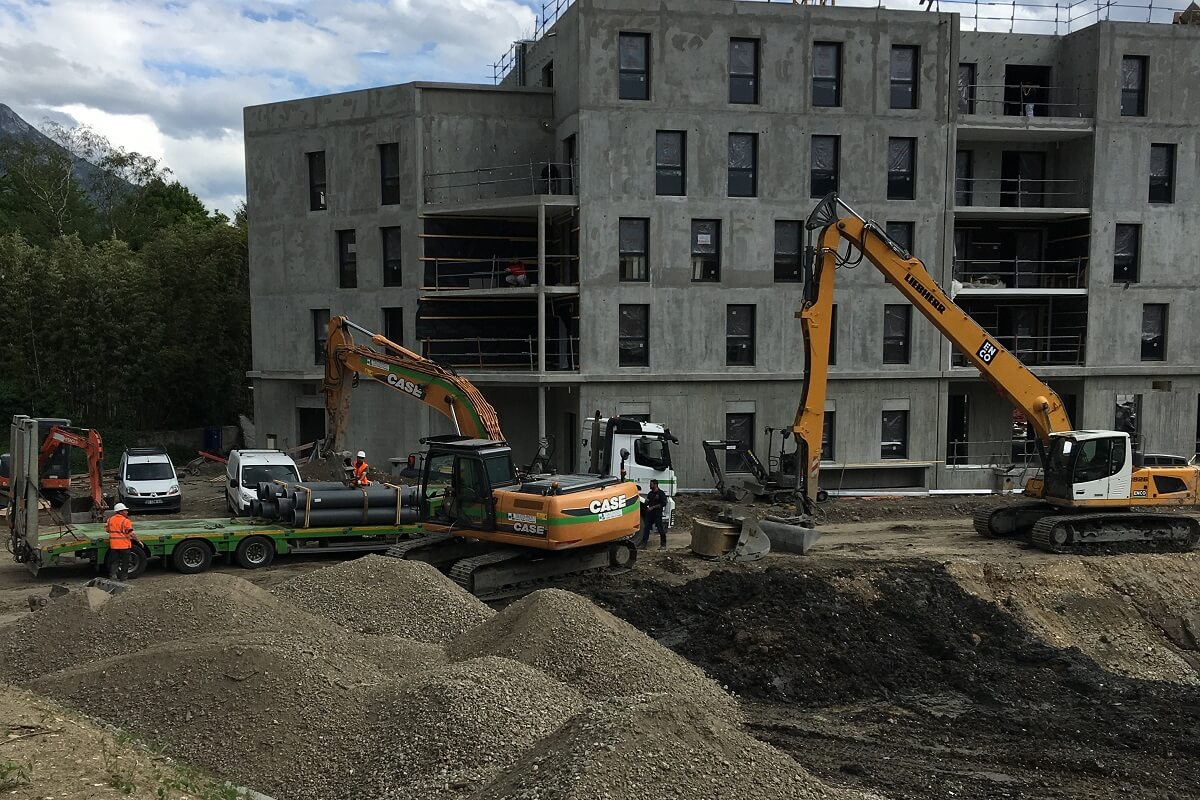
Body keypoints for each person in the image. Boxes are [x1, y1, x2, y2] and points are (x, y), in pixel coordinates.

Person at [105, 503, 139, 580]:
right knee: (125, 562)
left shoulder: (110, 520)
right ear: (120, 511)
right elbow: (131, 534)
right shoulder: (126, 521)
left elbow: (107, 530)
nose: (127, 512)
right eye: (125, 510)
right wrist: (138, 541)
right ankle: (123, 577)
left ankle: (113, 576)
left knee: (114, 562)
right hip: (124, 546)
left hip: (114, 546)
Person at [635, 479, 668, 550]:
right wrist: (646, 502)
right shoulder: (650, 493)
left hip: (657, 514)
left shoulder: (661, 493)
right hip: (650, 514)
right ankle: (644, 544)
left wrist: (653, 507)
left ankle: (663, 544)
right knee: (646, 528)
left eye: (651, 484)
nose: (650, 485)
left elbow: (663, 503)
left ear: (655, 485)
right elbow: (648, 502)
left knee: (660, 529)